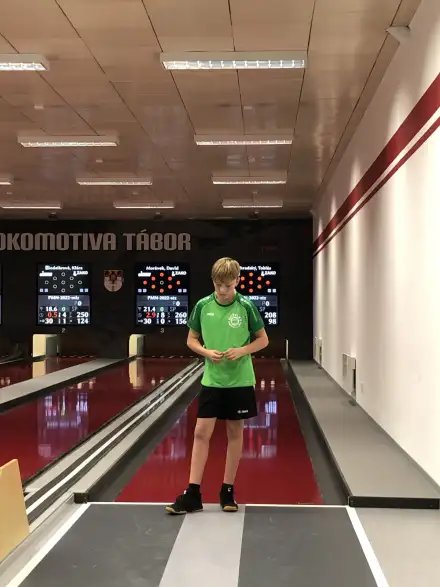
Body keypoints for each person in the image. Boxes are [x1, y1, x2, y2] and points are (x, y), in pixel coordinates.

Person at [166, 257, 269, 514]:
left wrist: (242, 350)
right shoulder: (203, 306)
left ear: (237, 281)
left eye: (228, 285)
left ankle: (227, 490)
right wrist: (206, 352)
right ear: (213, 281)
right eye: (218, 284)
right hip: (212, 380)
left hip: (240, 380)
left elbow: (263, 340)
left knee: (234, 433)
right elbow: (191, 339)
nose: (223, 290)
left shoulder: (246, 306)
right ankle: (193, 493)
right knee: (201, 432)